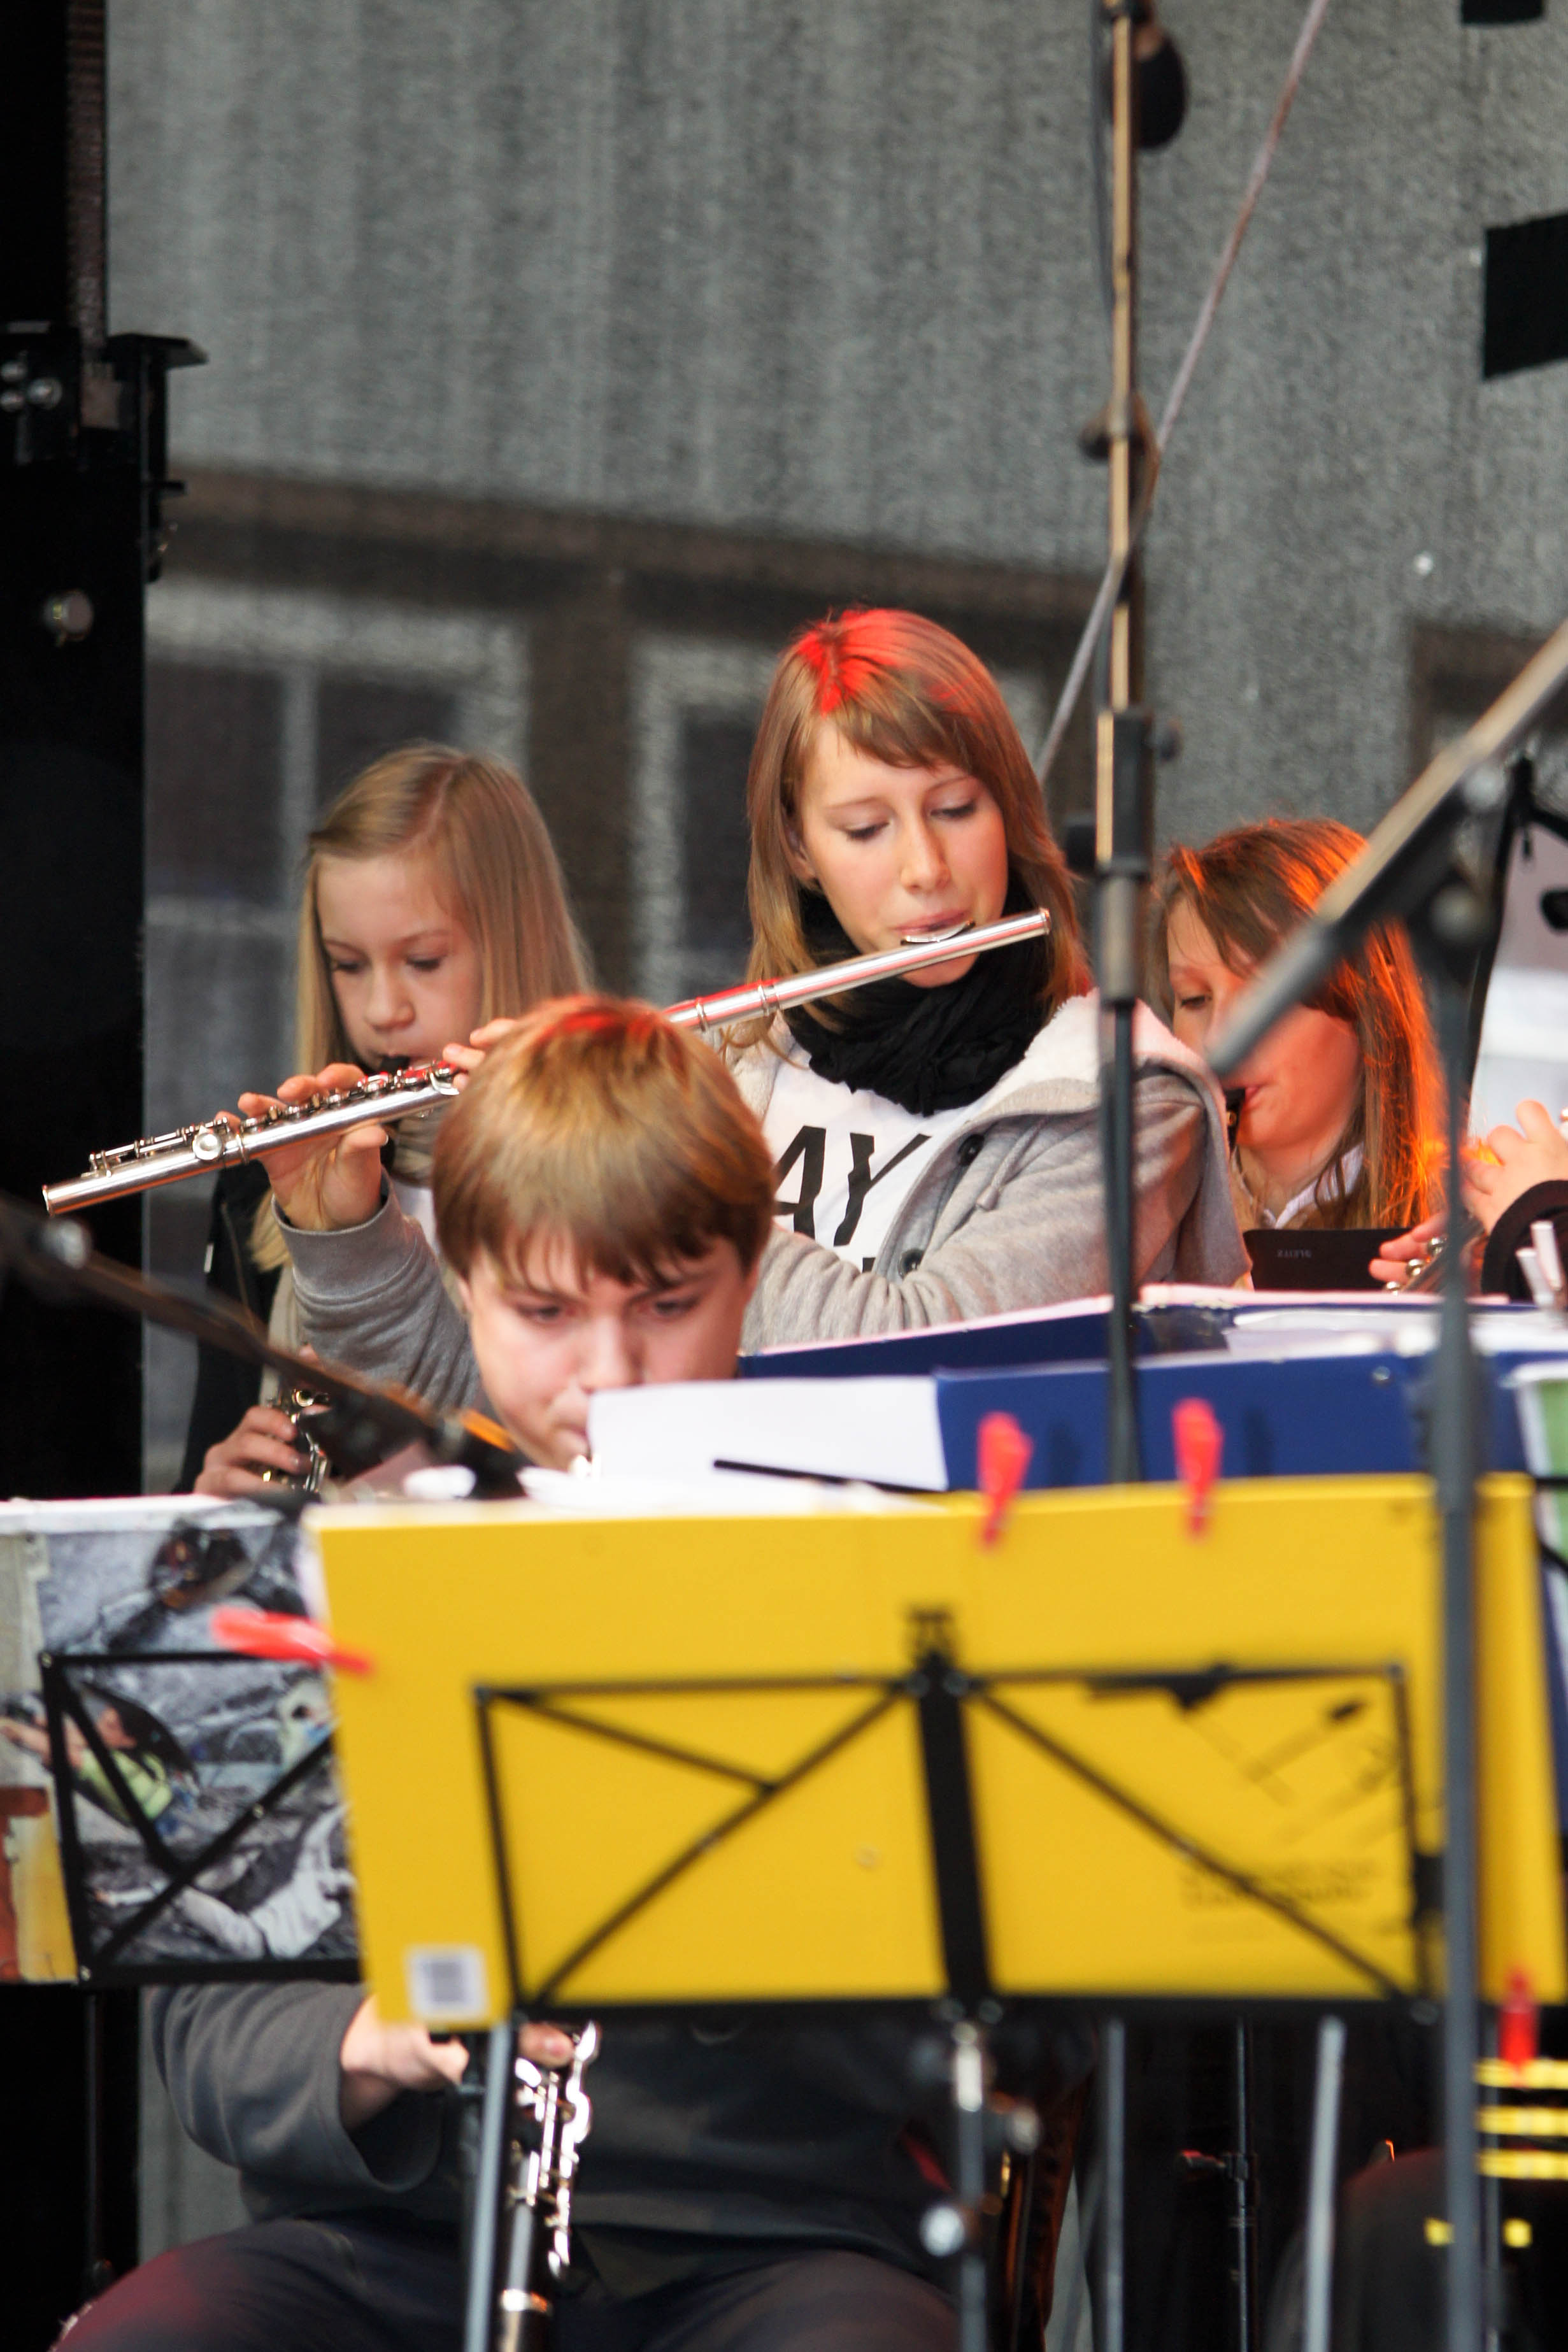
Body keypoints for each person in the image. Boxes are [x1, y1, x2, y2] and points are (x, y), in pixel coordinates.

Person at [64, 997, 1092, 2352]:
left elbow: (1026, 2029)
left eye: (667, 1304)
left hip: (771, 2247)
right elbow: (207, 2033)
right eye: (545, 1312)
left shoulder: (879, 1566)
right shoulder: (338, 1562)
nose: (610, 1375)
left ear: (750, 1270)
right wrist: (374, 2036)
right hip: (402, 2238)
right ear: (465, 1280)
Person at [250, 609, 1243, 1405]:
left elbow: (918, 1359)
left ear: (1008, 810)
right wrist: (349, 1238)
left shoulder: (1118, 1096)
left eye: (954, 808)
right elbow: (506, 1404)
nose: (925, 868)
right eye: (865, 828)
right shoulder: (732, 1064)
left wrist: (653, 1165)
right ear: (800, 850)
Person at [180, 744, 585, 1494]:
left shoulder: (609, 1175)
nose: (381, 1010)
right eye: (347, 963)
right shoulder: (262, 1191)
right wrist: (211, 1499)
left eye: (422, 962)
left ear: (515, 941)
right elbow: (204, 1473)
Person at [1153, 816, 1444, 1238]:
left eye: (1265, 995)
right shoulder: (1143, 1215)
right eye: (1194, 998)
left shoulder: (1469, 1226)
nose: (1218, 1039)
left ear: (1367, 1002)